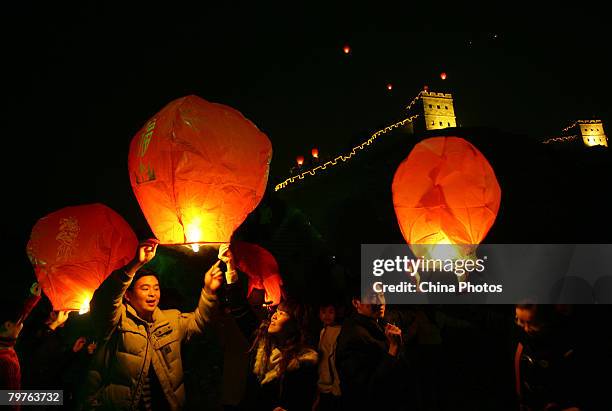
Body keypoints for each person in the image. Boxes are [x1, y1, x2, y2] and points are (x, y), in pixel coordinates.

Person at [84, 238, 224, 411]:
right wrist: (134, 265)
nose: (152, 294)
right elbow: (105, 301)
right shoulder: (116, 321)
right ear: (128, 295)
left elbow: (201, 323)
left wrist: (209, 291)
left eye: (156, 288)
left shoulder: (172, 319)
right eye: (145, 288)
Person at [220, 244, 319, 411]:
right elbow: (240, 309)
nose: (274, 316)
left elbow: (304, 398)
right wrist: (230, 266)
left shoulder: (303, 361)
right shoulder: (262, 341)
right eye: (277, 312)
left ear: (295, 324)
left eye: (282, 314)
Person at [335, 288, 408, 411]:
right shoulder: (353, 336)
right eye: (373, 296)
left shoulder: (380, 322)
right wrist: (393, 349)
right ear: (356, 303)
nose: (380, 302)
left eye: (381, 295)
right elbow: (365, 388)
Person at [0, 282, 42, 410]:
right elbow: (12, 402)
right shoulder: (8, 363)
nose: (22, 325)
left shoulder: (4, 337)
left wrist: (32, 298)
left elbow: (17, 317)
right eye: (19, 322)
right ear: (7, 325)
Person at [313, 303, 341, 411]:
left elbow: (334, 361)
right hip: (322, 385)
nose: (326, 315)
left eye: (331, 312)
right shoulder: (323, 330)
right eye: (323, 312)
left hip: (332, 388)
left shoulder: (337, 331)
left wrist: (336, 388)